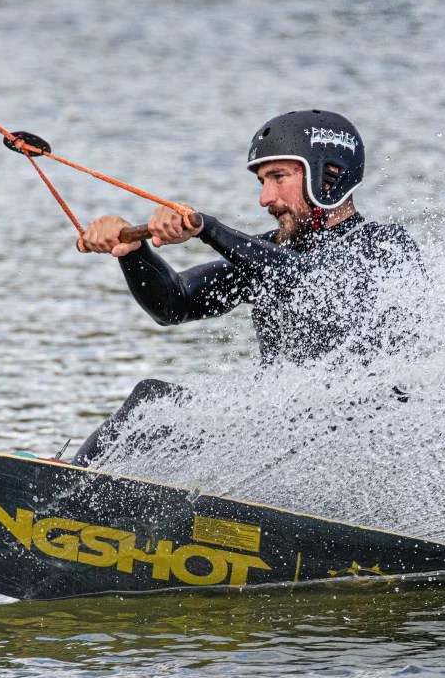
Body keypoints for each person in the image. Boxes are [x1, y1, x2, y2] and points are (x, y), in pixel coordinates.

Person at [71, 109, 418, 467]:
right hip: (280, 436)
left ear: (329, 176)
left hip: (360, 444)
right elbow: (176, 303)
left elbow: (308, 281)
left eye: (278, 178)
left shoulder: (385, 246)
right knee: (153, 401)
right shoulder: (268, 253)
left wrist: (208, 229)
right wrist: (133, 252)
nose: (265, 199)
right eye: (262, 182)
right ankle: (70, 481)